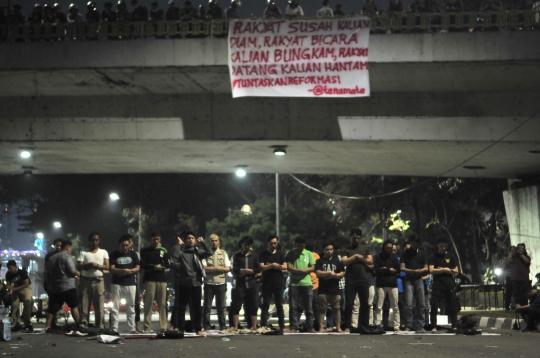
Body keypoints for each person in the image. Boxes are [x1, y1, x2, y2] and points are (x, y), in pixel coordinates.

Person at [170, 231, 212, 335]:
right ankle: (181, 328)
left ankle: (198, 328)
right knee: (181, 308)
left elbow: (210, 252)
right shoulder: (180, 251)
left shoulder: (197, 251)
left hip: (196, 283)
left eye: (193, 238)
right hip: (183, 283)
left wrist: (203, 243)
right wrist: (182, 268)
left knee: (197, 308)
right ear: (184, 241)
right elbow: (173, 261)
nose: (191, 240)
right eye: (188, 238)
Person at [45, 240, 88, 336]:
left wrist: (49, 284)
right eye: (70, 248)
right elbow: (72, 271)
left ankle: (47, 326)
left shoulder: (52, 258)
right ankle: (78, 324)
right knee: (74, 306)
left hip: (55, 287)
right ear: (68, 248)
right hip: (68, 286)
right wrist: (79, 274)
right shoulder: (67, 257)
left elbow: (47, 273)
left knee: (52, 308)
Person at [341, 229, 372, 334]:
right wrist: (356, 256)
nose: (356, 239)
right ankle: (348, 326)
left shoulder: (365, 248)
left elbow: (370, 260)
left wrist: (359, 259)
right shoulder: (346, 249)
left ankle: (364, 325)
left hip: (363, 279)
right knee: (349, 304)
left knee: (365, 303)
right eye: (354, 238)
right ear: (350, 237)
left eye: (358, 238)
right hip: (350, 279)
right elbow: (344, 261)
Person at [78, 231, 109, 330]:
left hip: (99, 281)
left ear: (99, 241)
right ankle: (83, 324)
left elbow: (107, 266)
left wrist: (98, 266)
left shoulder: (103, 252)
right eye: (93, 240)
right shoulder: (83, 253)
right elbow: (79, 266)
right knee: (84, 303)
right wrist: (90, 265)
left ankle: (100, 325)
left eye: (96, 240)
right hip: (85, 281)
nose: (94, 242)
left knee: (99, 304)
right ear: (89, 241)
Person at [109, 235, 140, 333]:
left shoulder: (133, 254)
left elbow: (138, 267)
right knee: (115, 307)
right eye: (123, 245)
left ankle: (132, 328)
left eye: (127, 245)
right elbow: (112, 268)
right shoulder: (114, 254)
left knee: (131, 306)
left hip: (130, 283)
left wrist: (130, 271)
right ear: (119, 245)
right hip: (117, 283)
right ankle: (114, 328)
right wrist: (123, 270)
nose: (125, 247)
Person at [140, 232, 170, 333]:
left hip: (162, 280)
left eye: (158, 239)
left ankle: (163, 326)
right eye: (154, 239)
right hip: (150, 280)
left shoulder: (163, 250)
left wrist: (162, 266)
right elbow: (143, 264)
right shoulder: (145, 251)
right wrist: (154, 267)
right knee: (148, 304)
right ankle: (147, 327)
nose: (156, 241)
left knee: (162, 304)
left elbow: (168, 263)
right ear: (151, 239)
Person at [230, 236, 260, 331]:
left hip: (252, 284)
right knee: (237, 305)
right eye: (245, 244)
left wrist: (245, 271)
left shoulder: (255, 256)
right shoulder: (237, 256)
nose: (247, 246)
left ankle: (254, 326)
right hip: (240, 284)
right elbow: (235, 269)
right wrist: (246, 270)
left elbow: (257, 269)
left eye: (249, 245)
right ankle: (235, 326)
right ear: (241, 244)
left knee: (254, 305)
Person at [286, 237, 316, 333]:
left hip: (307, 282)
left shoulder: (309, 253)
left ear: (305, 245)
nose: (300, 247)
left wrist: (304, 271)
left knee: (309, 306)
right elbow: (289, 267)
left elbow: (312, 267)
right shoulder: (290, 253)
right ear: (295, 244)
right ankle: (294, 327)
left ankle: (310, 326)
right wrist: (299, 271)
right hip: (294, 283)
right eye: (298, 245)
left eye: (302, 245)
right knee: (293, 306)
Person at [429, 237, 459, 332]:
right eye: (441, 245)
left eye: (445, 245)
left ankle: (454, 325)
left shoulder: (451, 256)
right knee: (434, 306)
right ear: (437, 245)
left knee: (452, 306)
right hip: (437, 285)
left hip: (449, 285)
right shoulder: (433, 257)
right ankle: (434, 326)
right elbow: (431, 270)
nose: (443, 247)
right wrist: (444, 270)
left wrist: (446, 270)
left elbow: (456, 270)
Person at [202, 234, 230, 331]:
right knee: (207, 307)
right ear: (210, 243)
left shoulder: (223, 253)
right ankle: (206, 326)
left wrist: (214, 269)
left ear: (219, 242)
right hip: (209, 283)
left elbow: (227, 268)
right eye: (212, 241)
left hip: (221, 283)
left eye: (216, 241)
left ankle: (222, 326)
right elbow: (204, 268)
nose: (214, 243)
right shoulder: (206, 253)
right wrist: (217, 269)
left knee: (221, 307)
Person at [315, 242, 345, 333]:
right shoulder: (319, 261)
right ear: (323, 250)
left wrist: (335, 275)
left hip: (335, 289)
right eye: (327, 249)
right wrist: (329, 273)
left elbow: (342, 273)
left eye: (331, 249)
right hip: (323, 289)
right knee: (322, 309)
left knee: (336, 308)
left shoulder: (337, 261)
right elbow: (318, 273)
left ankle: (338, 327)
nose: (329, 251)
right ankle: (321, 327)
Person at [400, 235, 428, 332]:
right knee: (408, 304)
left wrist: (419, 271)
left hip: (419, 278)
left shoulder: (422, 253)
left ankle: (421, 325)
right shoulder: (405, 253)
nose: (414, 245)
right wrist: (412, 271)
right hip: (409, 279)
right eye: (412, 243)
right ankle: (408, 324)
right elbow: (402, 267)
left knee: (421, 303)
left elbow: (426, 268)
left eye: (416, 243)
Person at [259, 235, 286, 331]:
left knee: (279, 305)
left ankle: (282, 325)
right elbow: (262, 267)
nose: (273, 245)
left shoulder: (280, 254)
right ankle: (263, 324)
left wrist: (278, 266)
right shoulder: (263, 254)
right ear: (268, 243)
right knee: (266, 304)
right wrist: (272, 265)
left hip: (279, 282)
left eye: (275, 243)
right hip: (267, 282)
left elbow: (285, 266)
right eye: (271, 243)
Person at [373, 239, 401, 332]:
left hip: (393, 284)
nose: (389, 250)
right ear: (384, 247)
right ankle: (377, 324)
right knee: (379, 306)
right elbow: (377, 270)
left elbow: (398, 270)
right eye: (387, 248)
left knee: (395, 306)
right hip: (381, 284)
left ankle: (396, 326)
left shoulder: (394, 257)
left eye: (390, 248)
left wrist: (385, 269)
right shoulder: (378, 257)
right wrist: (389, 270)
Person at [5, 261, 33, 332]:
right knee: (15, 305)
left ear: (15, 266)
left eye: (11, 268)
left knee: (27, 303)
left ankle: (27, 322)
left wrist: (15, 288)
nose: (10, 270)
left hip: (25, 288)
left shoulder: (22, 272)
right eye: (8, 268)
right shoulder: (8, 274)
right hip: (15, 289)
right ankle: (14, 323)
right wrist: (9, 287)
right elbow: (8, 283)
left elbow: (26, 283)